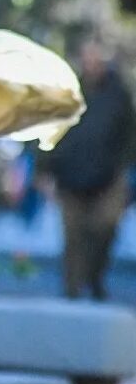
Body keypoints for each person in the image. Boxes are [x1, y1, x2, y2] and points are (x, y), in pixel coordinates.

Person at [45, 40, 136, 301]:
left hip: (108, 176)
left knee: (105, 228)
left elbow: (130, 134)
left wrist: (123, 165)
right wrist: (44, 169)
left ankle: (95, 278)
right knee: (73, 233)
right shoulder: (68, 91)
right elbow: (50, 129)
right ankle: (72, 286)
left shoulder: (118, 93)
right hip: (69, 175)